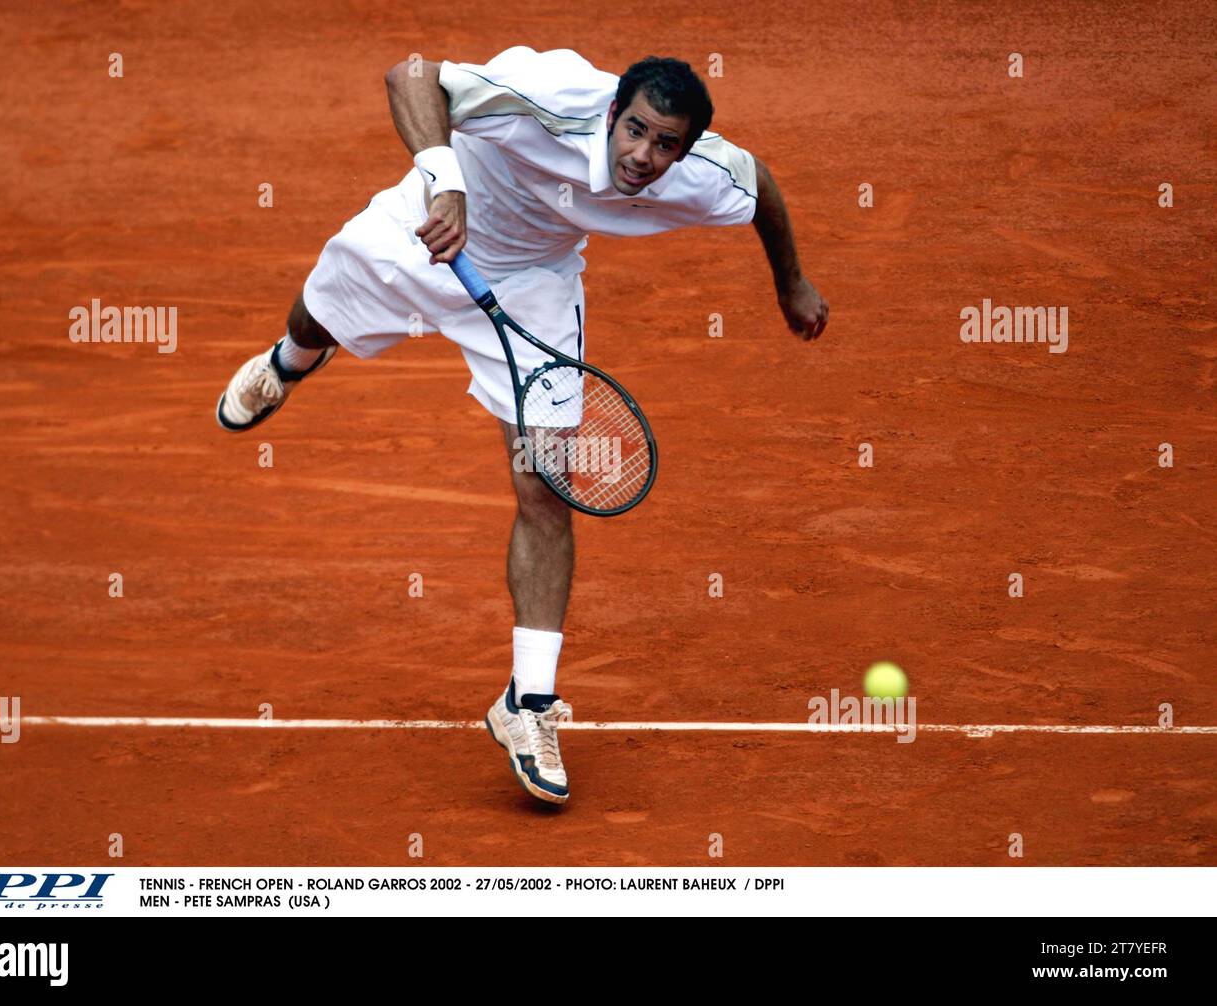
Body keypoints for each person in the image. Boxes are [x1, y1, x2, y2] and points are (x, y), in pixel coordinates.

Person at [216, 46, 829, 805]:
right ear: (610, 114)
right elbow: (411, 75)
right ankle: (290, 361)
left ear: (688, 146)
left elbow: (760, 185)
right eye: (634, 130)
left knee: (546, 485)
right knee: (316, 314)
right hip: (427, 227)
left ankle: (528, 704)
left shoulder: (704, 172)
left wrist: (791, 283)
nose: (644, 154)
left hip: (533, 287)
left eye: (665, 142)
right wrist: (448, 187)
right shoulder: (554, 100)